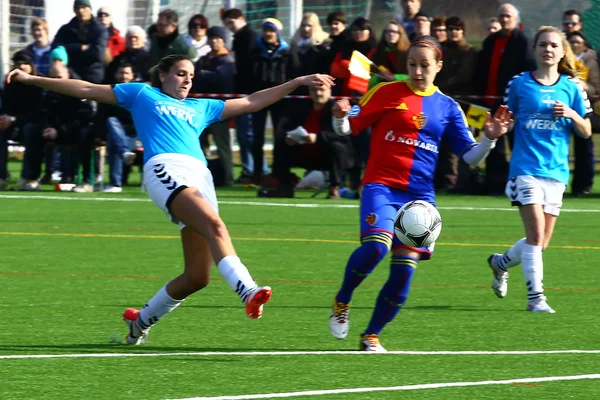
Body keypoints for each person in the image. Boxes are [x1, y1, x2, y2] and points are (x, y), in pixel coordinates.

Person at [6, 54, 334, 345]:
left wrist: (298, 81)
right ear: (162, 75)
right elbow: (87, 89)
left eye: (191, 75)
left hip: (200, 176)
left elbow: (251, 102)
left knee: (197, 277)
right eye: (180, 73)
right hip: (166, 168)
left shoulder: (200, 107)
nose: (187, 79)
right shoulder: (141, 93)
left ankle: (140, 322)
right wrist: (31, 78)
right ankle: (247, 290)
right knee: (215, 225)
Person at [328, 36, 512, 352]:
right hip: (381, 186)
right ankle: (342, 299)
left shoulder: (448, 107)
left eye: (424, 65)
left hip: (420, 198)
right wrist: (340, 116)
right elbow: (348, 129)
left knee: (404, 273)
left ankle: (371, 335)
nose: (416, 71)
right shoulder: (386, 92)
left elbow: (470, 156)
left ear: (438, 66)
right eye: (412, 64)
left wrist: (490, 139)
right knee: (376, 248)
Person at [487, 26, 591, 314]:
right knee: (534, 235)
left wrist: (571, 114)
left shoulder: (572, 87)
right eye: (542, 44)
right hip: (525, 168)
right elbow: (504, 119)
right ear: (534, 49)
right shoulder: (519, 84)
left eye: (553, 45)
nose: (548, 49)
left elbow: (586, 130)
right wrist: (500, 128)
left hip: (556, 172)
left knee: (540, 243)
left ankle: (500, 263)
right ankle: (536, 298)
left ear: (561, 52)